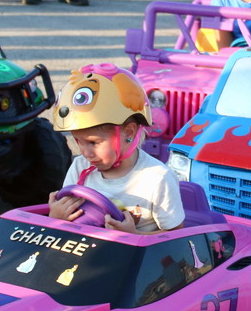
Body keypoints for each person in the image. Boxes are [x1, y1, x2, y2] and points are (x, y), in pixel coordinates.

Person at [49, 64, 184, 233]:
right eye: (79, 141)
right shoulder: (80, 167)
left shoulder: (157, 179)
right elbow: (67, 218)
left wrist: (135, 235)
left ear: (128, 132)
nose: (85, 153)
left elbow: (176, 234)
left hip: (137, 256)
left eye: (93, 143)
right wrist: (55, 217)